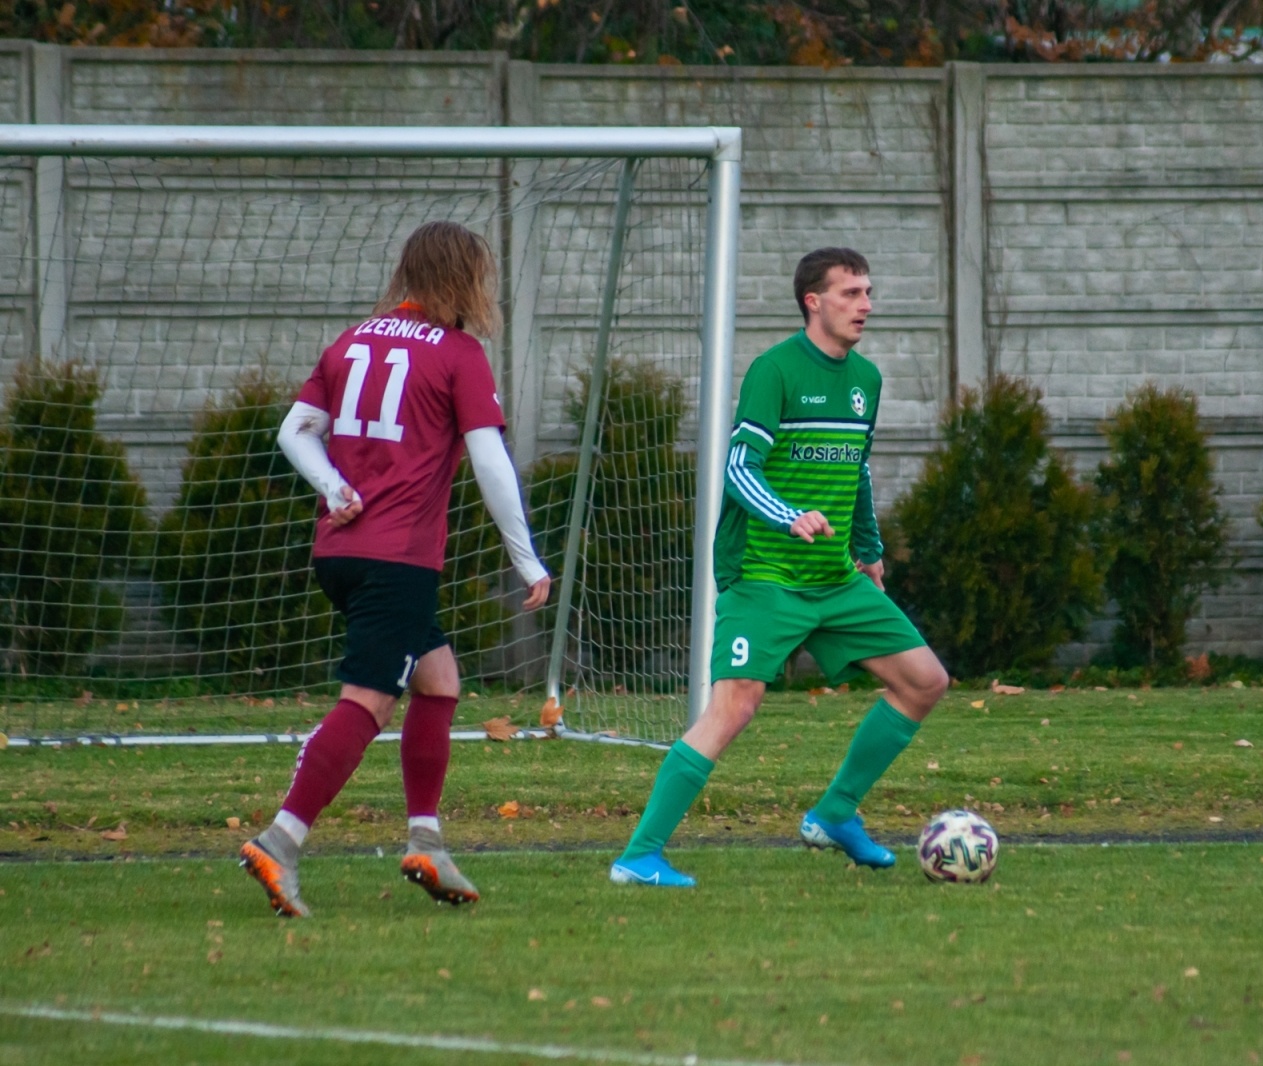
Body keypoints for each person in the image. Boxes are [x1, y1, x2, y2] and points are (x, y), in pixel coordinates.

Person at [610, 247, 949, 888]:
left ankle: (834, 813)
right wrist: (788, 514)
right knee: (735, 706)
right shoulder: (774, 371)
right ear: (812, 302)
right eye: (851, 293)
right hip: (766, 577)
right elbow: (740, 468)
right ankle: (639, 855)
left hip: (835, 578)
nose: (866, 305)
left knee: (925, 681)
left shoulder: (866, 380)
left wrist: (869, 550)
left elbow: (857, 471)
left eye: (868, 292)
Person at [240, 221, 552, 917]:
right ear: (463, 279)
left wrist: (333, 488)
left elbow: (294, 431)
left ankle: (426, 841)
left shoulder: (353, 340)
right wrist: (525, 556)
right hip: (397, 559)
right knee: (370, 700)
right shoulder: (459, 353)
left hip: (339, 551)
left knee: (438, 679)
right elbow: (490, 460)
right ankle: (279, 841)